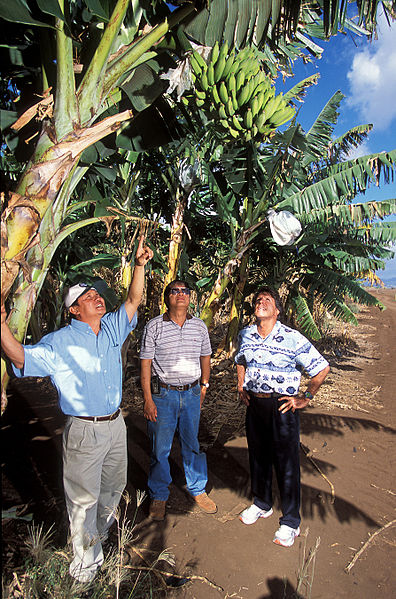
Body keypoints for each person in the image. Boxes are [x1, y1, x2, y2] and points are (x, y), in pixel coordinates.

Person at [0, 236, 153, 582]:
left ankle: (98, 539)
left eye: (97, 294)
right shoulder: (60, 341)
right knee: (82, 502)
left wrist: (140, 266)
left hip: (116, 427)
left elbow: (133, 298)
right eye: (88, 297)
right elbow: (21, 357)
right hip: (84, 431)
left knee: (113, 490)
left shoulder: (113, 327)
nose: (97, 298)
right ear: (73, 310)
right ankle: (84, 570)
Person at [235, 287, 330, 547]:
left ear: (276, 310)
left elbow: (322, 367)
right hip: (255, 406)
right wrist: (241, 384)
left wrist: (306, 397)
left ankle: (290, 521)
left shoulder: (292, 338)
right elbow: (240, 360)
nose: (261, 302)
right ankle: (262, 503)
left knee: (287, 465)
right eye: (258, 299)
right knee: (258, 457)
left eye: (267, 300)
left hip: (282, 407)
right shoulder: (246, 334)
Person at [140, 280, 217, 521]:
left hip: (192, 392)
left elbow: (206, 356)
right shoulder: (154, 327)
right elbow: (145, 365)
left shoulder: (199, 326)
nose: (181, 294)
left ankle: (197, 489)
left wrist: (204, 385)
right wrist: (148, 399)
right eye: (175, 291)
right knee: (160, 448)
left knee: (191, 443)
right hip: (163, 394)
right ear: (167, 298)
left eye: (185, 291)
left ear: (190, 297)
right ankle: (159, 495)